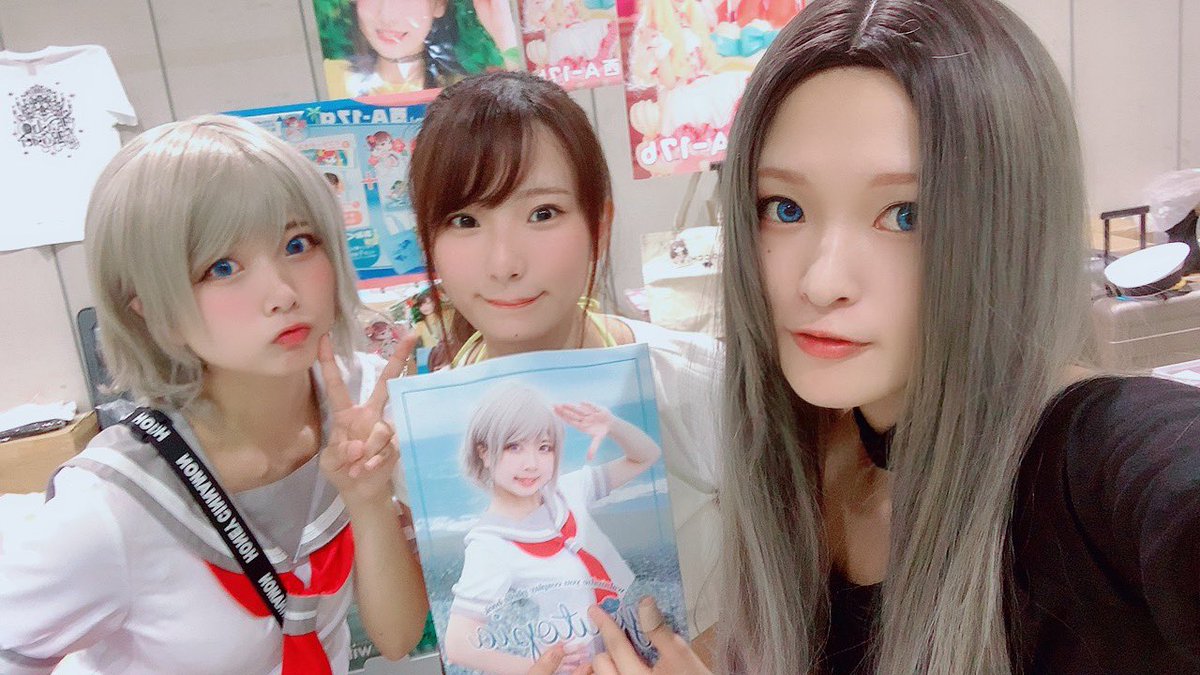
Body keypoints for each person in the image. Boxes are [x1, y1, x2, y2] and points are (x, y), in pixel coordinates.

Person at [587, 0, 1200, 673]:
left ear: (1010, 228)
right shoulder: (811, 447)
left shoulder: (1092, 460)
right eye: (785, 209)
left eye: (906, 215)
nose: (821, 281)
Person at [0, 115, 428, 674]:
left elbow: (397, 640)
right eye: (222, 267)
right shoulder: (112, 505)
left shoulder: (361, 403)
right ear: (151, 309)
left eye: (298, 244)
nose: (282, 293)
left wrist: (368, 498)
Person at [407, 71, 724, 639]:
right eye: (465, 220)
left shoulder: (704, 384)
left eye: (543, 213)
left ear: (599, 222)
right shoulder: (419, 434)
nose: (505, 263)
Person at [444, 383, 661, 673]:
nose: (531, 463)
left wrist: (612, 425)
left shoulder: (567, 491)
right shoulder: (491, 544)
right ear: (483, 452)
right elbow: (458, 645)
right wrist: (537, 666)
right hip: (582, 667)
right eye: (513, 446)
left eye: (543, 447)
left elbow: (647, 455)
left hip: (632, 646)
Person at [322, 0, 521, 97]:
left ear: (440, 4)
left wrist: (504, 34)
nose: (387, 16)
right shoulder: (325, 79)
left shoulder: (472, 91)